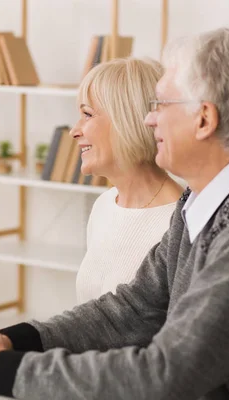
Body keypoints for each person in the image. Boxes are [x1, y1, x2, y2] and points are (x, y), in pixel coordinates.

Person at [0, 26, 229, 399]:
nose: (148, 119)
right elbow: (132, 310)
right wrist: (10, 341)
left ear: (204, 119)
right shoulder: (201, 201)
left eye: (162, 105)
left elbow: (167, 374)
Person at [72, 57, 183, 304]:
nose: (74, 131)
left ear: (128, 120)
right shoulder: (104, 204)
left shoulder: (179, 222)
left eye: (87, 115)